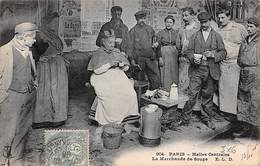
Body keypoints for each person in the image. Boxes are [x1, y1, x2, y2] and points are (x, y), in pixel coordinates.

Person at [178, 12, 227, 129]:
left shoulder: (217, 36)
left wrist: (213, 54)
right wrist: (193, 58)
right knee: (192, 94)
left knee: (207, 96)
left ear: (210, 21)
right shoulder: (195, 36)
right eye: (201, 22)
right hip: (196, 70)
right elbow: (188, 51)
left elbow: (223, 52)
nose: (203, 24)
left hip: (211, 70)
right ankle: (185, 118)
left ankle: (207, 118)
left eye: (205, 22)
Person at [0, 22, 38, 165]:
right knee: (7, 132)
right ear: (23, 37)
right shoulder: (4, 51)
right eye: (33, 37)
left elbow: (31, 72)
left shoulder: (28, 50)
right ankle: (2, 161)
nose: (35, 40)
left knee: (22, 131)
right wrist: (2, 96)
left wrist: (34, 87)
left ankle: (16, 159)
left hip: (28, 95)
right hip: (11, 98)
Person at [88, 29, 139, 125]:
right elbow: (97, 70)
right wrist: (110, 64)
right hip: (102, 77)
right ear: (103, 42)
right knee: (111, 95)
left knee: (130, 93)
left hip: (117, 76)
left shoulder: (116, 52)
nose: (112, 45)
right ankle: (110, 120)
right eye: (109, 42)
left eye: (113, 42)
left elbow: (126, 68)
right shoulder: (98, 53)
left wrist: (123, 66)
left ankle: (126, 117)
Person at [31, 27, 69, 129]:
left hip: (53, 66)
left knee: (53, 91)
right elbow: (32, 51)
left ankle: (55, 118)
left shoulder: (50, 36)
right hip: (47, 66)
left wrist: (39, 58)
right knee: (47, 91)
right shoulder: (38, 35)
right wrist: (38, 58)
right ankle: (44, 119)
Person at [217, 9, 247, 121]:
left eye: (223, 17)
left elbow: (247, 41)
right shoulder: (220, 30)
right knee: (224, 87)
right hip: (224, 62)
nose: (220, 20)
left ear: (229, 17)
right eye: (219, 18)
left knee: (234, 87)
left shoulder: (239, 28)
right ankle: (225, 111)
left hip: (236, 62)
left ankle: (235, 112)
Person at [235, 17, 260, 137]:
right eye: (248, 26)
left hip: (256, 73)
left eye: (251, 27)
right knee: (243, 100)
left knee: (255, 100)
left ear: (258, 28)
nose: (248, 29)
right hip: (244, 72)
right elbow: (239, 56)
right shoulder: (245, 40)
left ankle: (255, 129)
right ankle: (245, 127)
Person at [176, 7, 201, 110]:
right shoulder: (182, 29)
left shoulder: (198, 28)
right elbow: (178, 45)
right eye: (183, 15)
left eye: (186, 15)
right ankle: (181, 106)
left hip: (195, 60)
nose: (184, 17)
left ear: (192, 16)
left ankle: (195, 107)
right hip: (184, 59)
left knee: (194, 83)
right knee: (182, 82)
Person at [129, 10, 161, 90]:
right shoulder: (132, 31)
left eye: (143, 18)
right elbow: (130, 47)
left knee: (155, 79)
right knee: (140, 80)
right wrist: (132, 60)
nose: (142, 20)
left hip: (151, 58)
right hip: (139, 60)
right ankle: (140, 100)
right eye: (140, 18)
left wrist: (157, 44)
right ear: (136, 19)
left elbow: (156, 40)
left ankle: (154, 97)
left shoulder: (150, 29)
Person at [155, 15, 179, 91]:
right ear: (165, 23)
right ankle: (165, 89)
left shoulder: (176, 33)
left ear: (173, 24)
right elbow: (158, 46)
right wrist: (160, 57)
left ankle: (173, 89)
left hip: (174, 54)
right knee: (164, 71)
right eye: (167, 22)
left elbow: (178, 44)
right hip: (164, 52)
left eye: (170, 22)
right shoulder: (160, 33)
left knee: (174, 70)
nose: (169, 24)